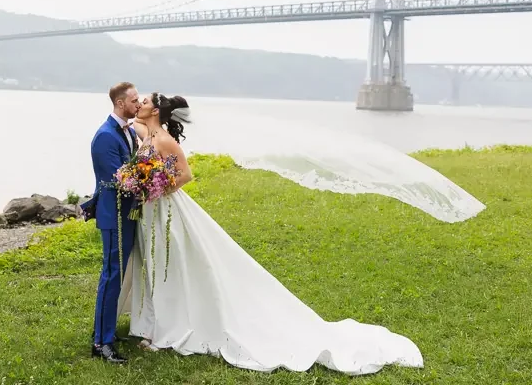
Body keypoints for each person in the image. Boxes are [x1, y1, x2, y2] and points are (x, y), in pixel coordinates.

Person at [115, 92, 425, 375]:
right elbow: (134, 134)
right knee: (154, 264)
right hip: (150, 211)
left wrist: (155, 188)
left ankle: (168, 326)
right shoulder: (149, 133)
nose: (138, 103)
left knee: (171, 264)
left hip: (166, 208)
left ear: (155, 109)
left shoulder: (166, 139)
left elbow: (185, 174)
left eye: (142, 101)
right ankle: (153, 324)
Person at [83, 82, 141, 364]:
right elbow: (122, 179)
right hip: (114, 214)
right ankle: (101, 343)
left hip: (128, 213)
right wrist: (147, 181)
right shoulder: (105, 136)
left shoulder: (129, 131)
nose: (138, 104)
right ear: (120, 103)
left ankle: (105, 330)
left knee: (117, 273)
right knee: (111, 275)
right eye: (134, 100)